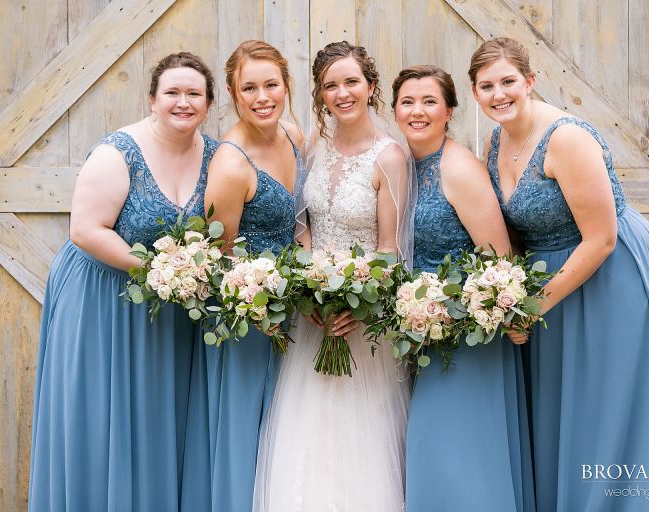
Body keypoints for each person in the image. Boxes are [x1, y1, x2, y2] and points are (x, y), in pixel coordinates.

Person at [471, 36, 649, 511]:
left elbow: (602, 239)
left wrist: (530, 307)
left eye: (508, 81)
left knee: (608, 410)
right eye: (486, 86)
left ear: (529, 82)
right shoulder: (496, 139)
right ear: (474, 93)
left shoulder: (566, 138)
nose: (499, 94)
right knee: (564, 413)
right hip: (552, 283)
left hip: (608, 276)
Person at [28, 52, 218, 512]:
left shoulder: (215, 155)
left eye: (194, 93)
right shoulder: (118, 151)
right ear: (152, 99)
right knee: (98, 419)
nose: (183, 102)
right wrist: (160, 269)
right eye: (172, 92)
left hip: (167, 306)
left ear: (209, 103)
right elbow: (86, 230)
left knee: (156, 419)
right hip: (100, 297)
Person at [252, 41, 414, 512]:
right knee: (306, 434)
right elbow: (303, 229)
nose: (342, 93)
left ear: (370, 87)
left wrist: (357, 304)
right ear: (320, 94)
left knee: (361, 437)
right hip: (314, 315)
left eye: (351, 82)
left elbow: (389, 250)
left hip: (363, 319)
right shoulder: (311, 145)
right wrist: (310, 294)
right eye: (330, 85)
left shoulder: (390, 158)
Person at [393, 64, 535, 512]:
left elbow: (500, 262)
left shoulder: (459, 168)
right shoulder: (404, 165)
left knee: (452, 455)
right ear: (394, 110)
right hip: (421, 336)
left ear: (450, 110)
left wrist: (446, 306)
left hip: (467, 339)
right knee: (436, 455)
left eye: (430, 101)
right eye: (408, 102)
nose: (418, 111)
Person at [201, 39, 304, 512]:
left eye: (271, 85)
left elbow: (302, 221)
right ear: (232, 92)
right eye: (249, 88)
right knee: (247, 424)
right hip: (249, 314)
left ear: (286, 86)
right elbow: (221, 256)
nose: (262, 97)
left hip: (296, 304)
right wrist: (258, 305)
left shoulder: (293, 135)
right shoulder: (229, 162)